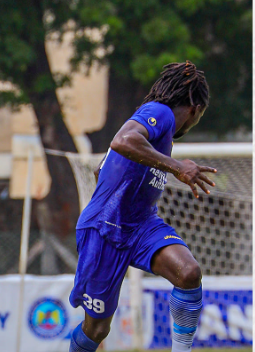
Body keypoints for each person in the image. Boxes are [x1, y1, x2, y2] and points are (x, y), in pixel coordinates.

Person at [69, 61, 216, 352]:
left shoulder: (161, 135)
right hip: (105, 229)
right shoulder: (159, 113)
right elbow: (123, 140)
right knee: (96, 329)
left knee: (188, 273)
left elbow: (103, 169)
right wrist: (177, 168)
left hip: (142, 225)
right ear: (194, 108)